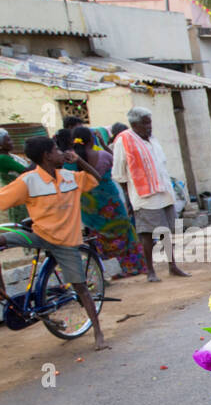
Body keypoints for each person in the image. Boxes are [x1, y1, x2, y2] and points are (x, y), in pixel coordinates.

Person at [0, 135, 109, 349]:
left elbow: (95, 178)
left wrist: (79, 160)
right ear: (47, 156)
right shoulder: (28, 181)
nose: (61, 154)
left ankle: (98, 333)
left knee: (80, 287)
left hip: (66, 242)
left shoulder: (69, 176)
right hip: (39, 235)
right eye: (57, 151)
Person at [112, 106, 189, 282]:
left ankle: (172, 266)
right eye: (145, 123)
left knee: (166, 232)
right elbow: (119, 174)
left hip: (163, 192)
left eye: (150, 122)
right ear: (134, 124)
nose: (149, 126)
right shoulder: (123, 141)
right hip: (144, 196)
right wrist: (130, 196)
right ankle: (150, 271)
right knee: (146, 233)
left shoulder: (152, 139)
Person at [68, 126, 146, 277]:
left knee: (98, 235)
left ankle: (108, 269)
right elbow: (120, 165)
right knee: (124, 231)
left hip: (88, 206)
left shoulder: (72, 162)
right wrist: (104, 145)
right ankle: (131, 266)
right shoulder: (103, 155)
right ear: (92, 139)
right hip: (110, 202)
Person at [0, 129, 30, 224]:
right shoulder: (3, 158)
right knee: (21, 221)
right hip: (17, 194)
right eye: (8, 140)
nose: (12, 142)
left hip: (18, 193)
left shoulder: (9, 156)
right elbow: (26, 171)